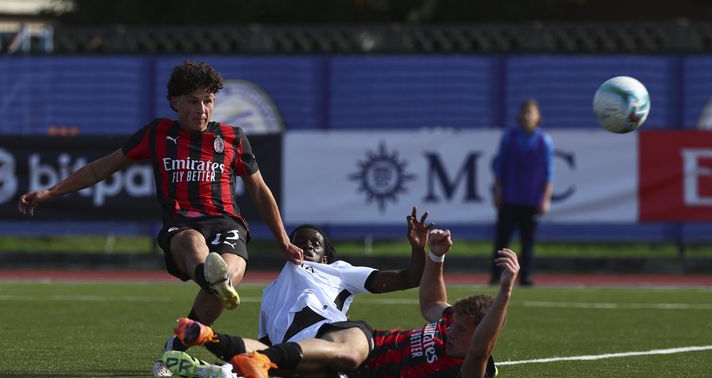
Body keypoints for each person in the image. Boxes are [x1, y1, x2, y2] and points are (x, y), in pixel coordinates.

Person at [16, 60, 304, 376]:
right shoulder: (158, 134)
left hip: (226, 222)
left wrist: (283, 241)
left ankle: (178, 346)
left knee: (230, 275)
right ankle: (211, 281)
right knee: (196, 246)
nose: (202, 109)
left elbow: (260, 190)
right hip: (183, 225)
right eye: (193, 101)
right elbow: (101, 167)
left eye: (208, 101)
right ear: (175, 102)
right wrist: (53, 192)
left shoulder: (233, 137)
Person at [162, 228, 520, 378]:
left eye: (461, 331)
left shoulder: (472, 367)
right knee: (289, 352)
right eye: (453, 323)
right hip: (359, 343)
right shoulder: (272, 291)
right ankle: (222, 351)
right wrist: (436, 257)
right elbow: (433, 301)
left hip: (353, 364)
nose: (451, 330)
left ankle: (212, 350)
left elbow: (478, 350)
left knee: (287, 361)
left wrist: (504, 294)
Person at [491, 99, 553, 286]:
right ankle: (495, 276)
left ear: (538, 117)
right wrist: (497, 191)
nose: (527, 116)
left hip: (531, 199)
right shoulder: (509, 138)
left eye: (531, 112)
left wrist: (545, 199)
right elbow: (499, 167)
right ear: (520, 116)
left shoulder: (544, 141)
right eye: (525, 112)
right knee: (502, 240)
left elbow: (549, 172)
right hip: (510, 197)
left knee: (528, 241)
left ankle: (526, 276)